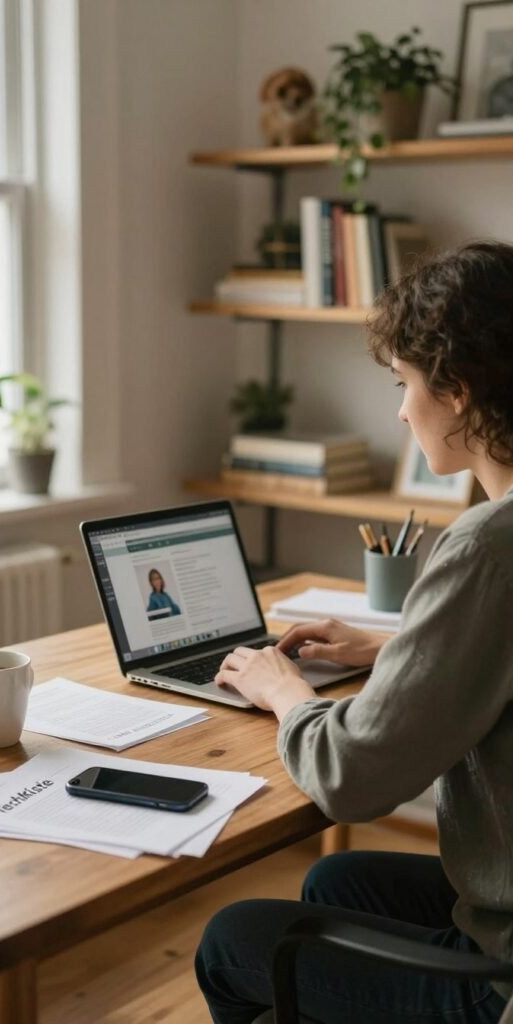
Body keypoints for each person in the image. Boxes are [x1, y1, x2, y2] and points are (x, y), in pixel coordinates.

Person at [195, 241, 513, 1024]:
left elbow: (349, 777)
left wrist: (283, 692)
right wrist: (396, 654)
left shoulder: (485, 544)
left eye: (405, 384)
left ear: (461, 393)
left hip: (500, 978)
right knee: (335, 885)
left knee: (232, 936)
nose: (402, 410)